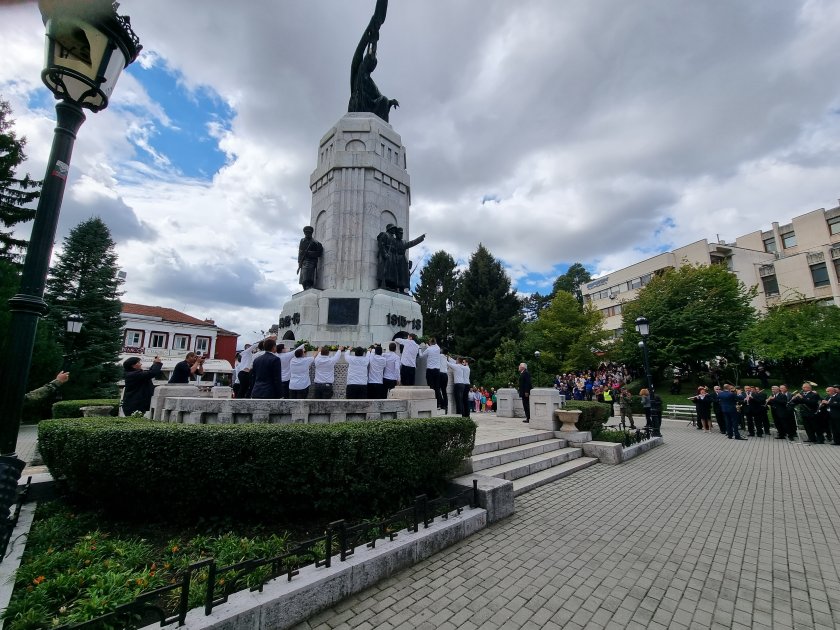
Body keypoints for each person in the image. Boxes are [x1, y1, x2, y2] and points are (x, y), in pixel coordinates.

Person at [297, 226, 324, 290]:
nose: (307, 234)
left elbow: (319, 253)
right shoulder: (302, 241)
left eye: (309, 233)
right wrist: (299, 262)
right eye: (306, 233)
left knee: (308, 273)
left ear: (311, 233)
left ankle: (308, 285)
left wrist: (309, 253)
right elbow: (300, 252)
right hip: (303, 261)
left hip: (311, 261)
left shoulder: (315, 243)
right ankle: (305, 286)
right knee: (303, 275)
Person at [419, 337, 442, 407]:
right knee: (437, 387)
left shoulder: (428, 349)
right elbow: (433, 345)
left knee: (431, 387)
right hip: (437, 370)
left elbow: (421, 356)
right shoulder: (438, 348)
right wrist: (427, 345)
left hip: (430, 370)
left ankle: (432, 402)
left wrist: (419, 349)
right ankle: (439, 403)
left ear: (430, 343)